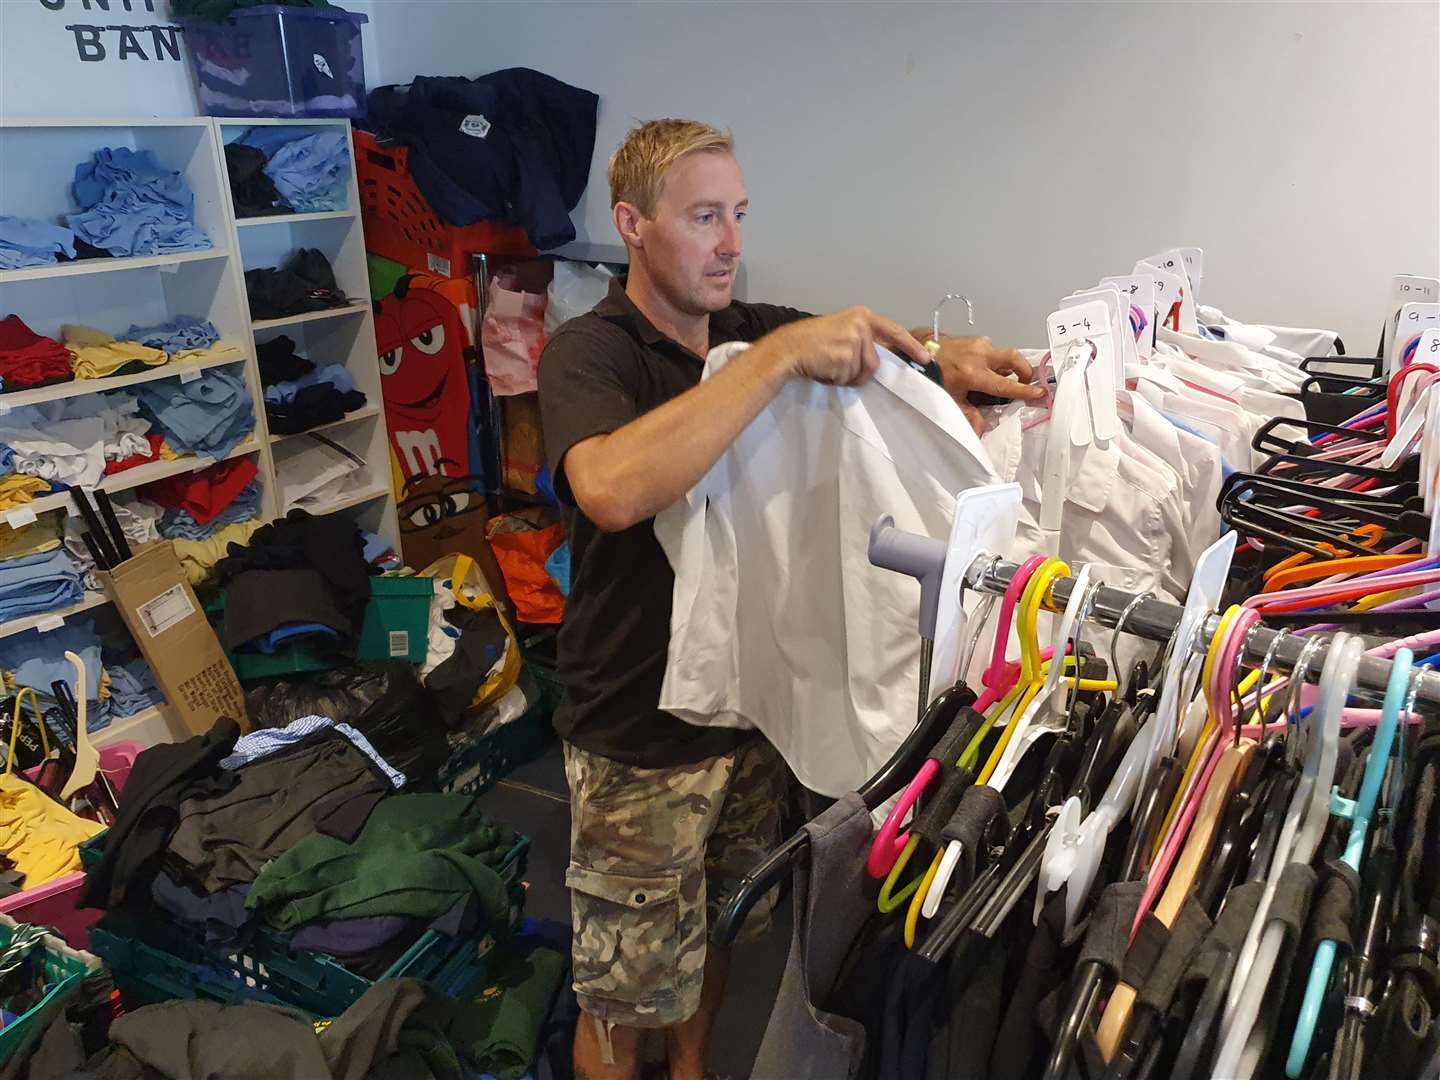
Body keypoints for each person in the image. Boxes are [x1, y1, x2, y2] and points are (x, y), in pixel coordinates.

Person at [537, 118, 1043, 1080]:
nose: (730, 241)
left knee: (717, 944)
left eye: (738, 214)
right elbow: (608, 489)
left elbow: (871, 342)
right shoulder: (590, 353)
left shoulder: (745, 327)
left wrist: (952, 356)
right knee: (622, 998)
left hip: (746, 714)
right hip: (634, 733)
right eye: (701, 217)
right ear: (632, 225)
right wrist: (776, 360)